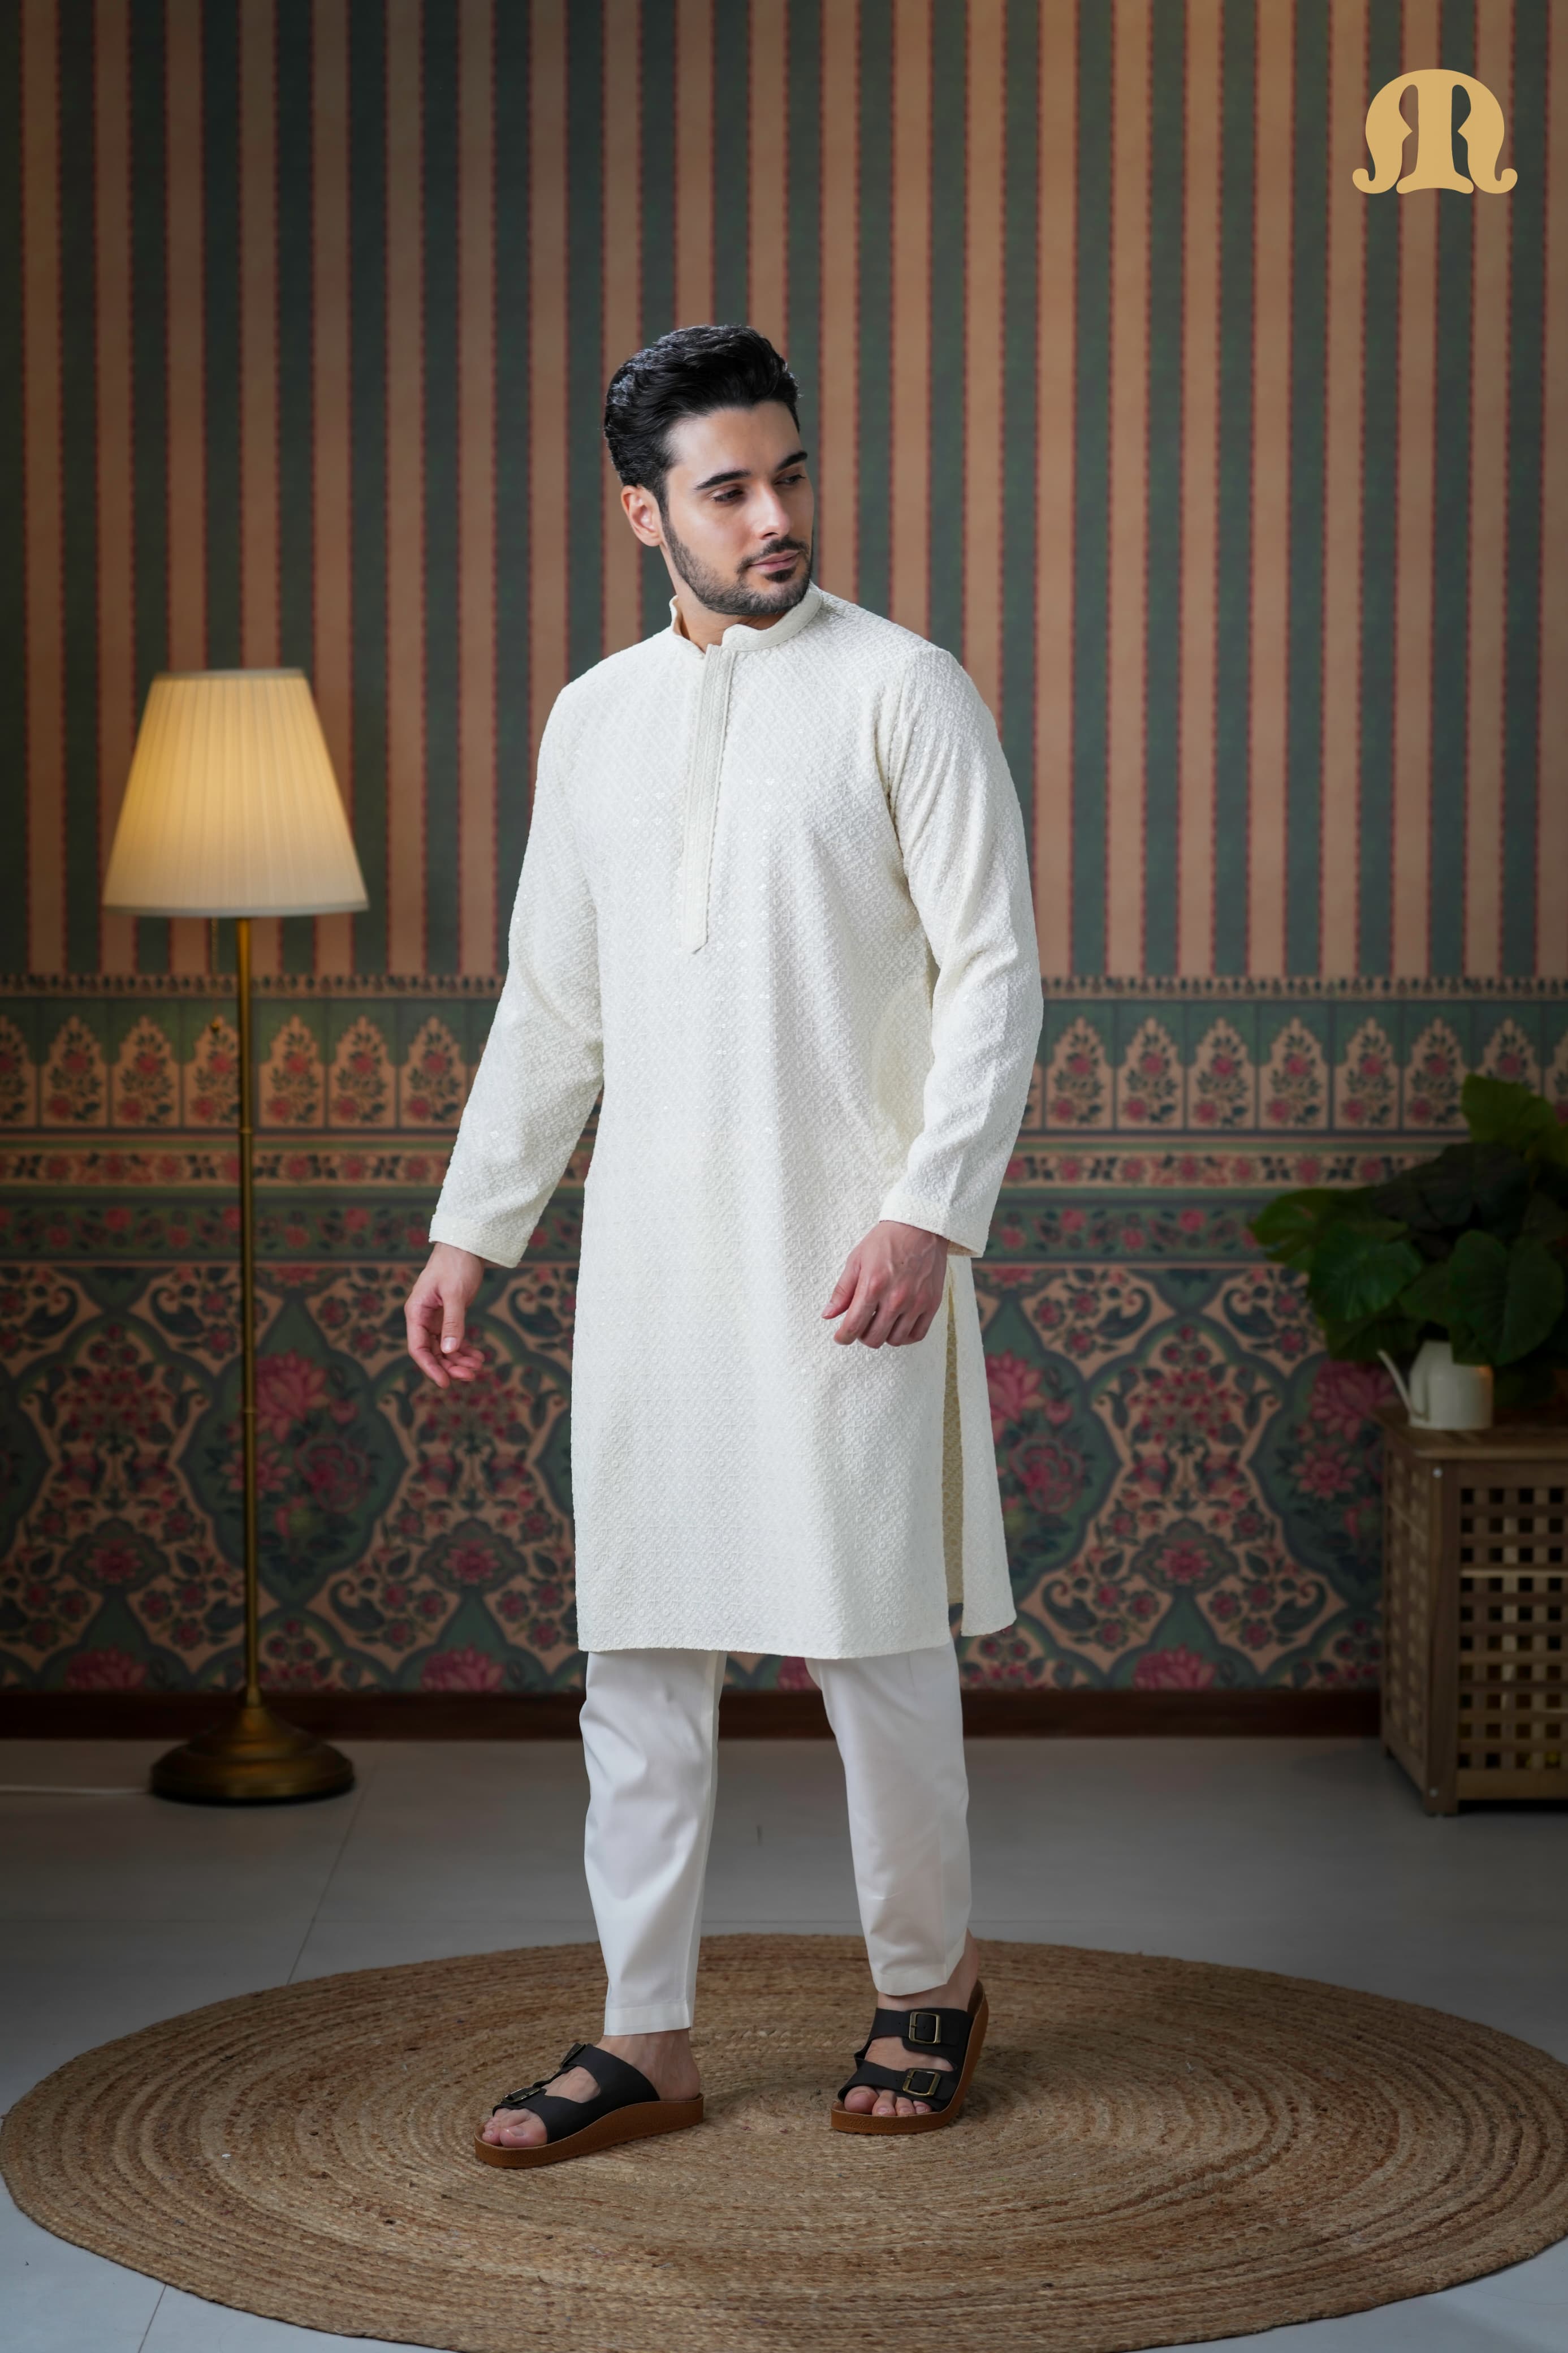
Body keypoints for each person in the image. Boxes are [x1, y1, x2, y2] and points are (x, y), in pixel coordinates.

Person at [403, 324, 1042, 2167]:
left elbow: (996, 974)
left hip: (853, 1259)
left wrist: (927, 1211)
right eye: (729, 489)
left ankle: (930, 1982)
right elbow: (555, 1005)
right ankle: (645, 2036)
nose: (776, 518)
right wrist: (474, 1231)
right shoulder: (592, 721)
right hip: (655, 1271)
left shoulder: (906, 689)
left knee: (874, 1650)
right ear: (646, 516)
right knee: (641, 1663)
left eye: (792, 474)